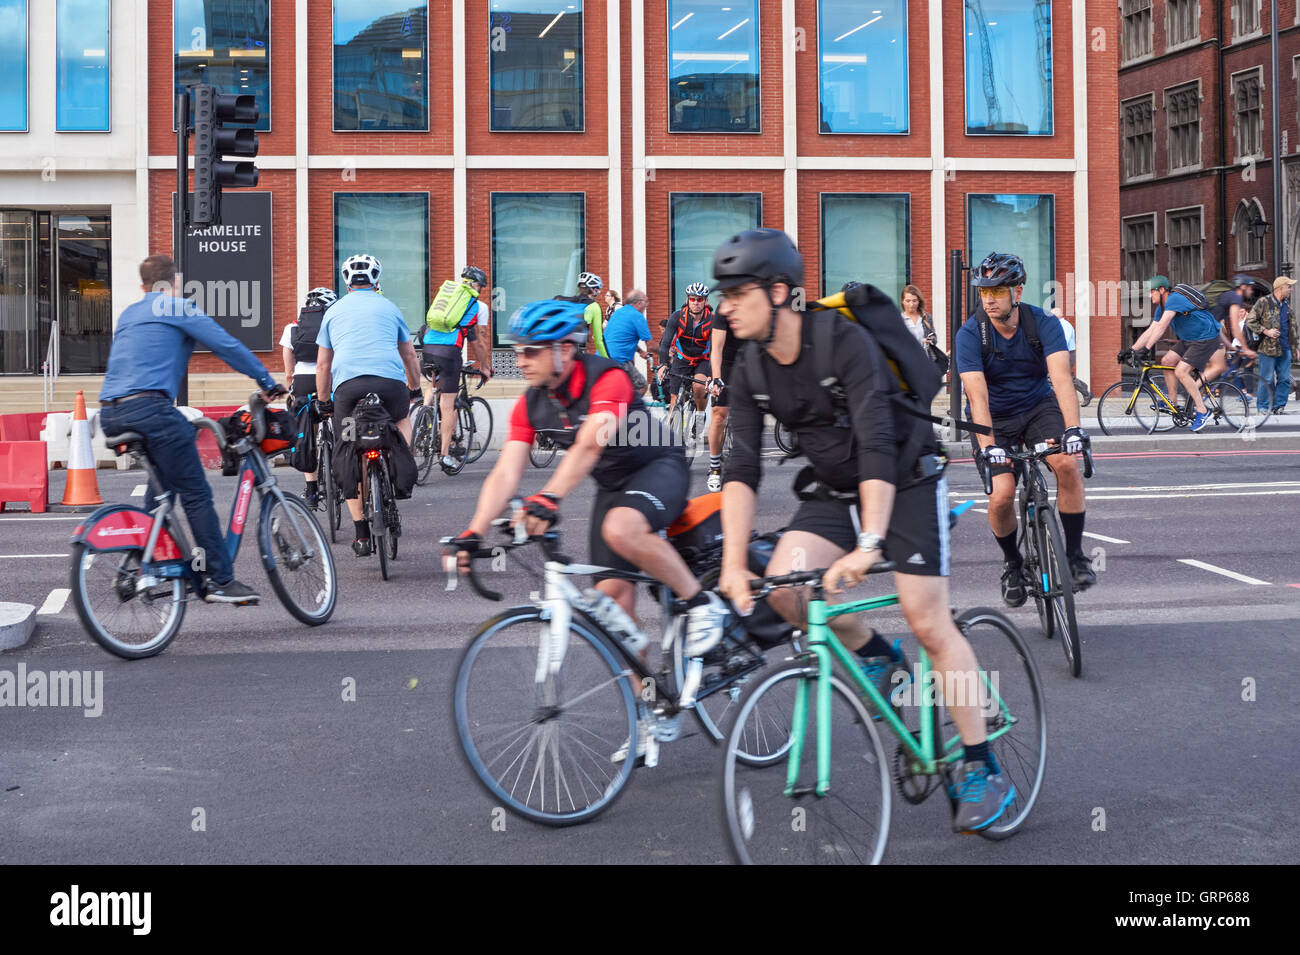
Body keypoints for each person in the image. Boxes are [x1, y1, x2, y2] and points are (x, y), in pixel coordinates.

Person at [712, 228, 1015, 834]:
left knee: (926, 617)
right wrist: (729, 568)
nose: (724, 307)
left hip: (904, 477)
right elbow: (739, 470)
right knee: (783, 589)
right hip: (833, 486)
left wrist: (870, 543)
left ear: (777, 293)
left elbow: (877, 442)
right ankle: (879, 655)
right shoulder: (748, 364)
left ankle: (982, 766)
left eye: (735, 294)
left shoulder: (841, 341)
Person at [452, 299, 729, 762]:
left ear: (565, 349)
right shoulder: (533, 403)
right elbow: (506, 471)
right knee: (614, 612)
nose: (520, 359)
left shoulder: (607, 378)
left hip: (658, 467)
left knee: (622, 528)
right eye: (518, 350)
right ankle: (653, 711)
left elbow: (592, 438)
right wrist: (473, 532)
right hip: (613, 485)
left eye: (531, 351)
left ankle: (704, 608)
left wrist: (549, 498)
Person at [99, 254, 282, 604]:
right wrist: (266, 381)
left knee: (164, 491)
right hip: (152, 409)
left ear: (143, 287)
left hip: (111, 413)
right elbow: (226, 345)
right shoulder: (175, 307)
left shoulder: (129, 314)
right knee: (196, 494)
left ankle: (151, 559)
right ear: (175, 283)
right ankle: (221, 579)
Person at [955, 252, 1094, 603]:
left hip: (1037, 406)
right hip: (994, 419)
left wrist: (1074, 429)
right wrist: (988, 447)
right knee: (1001, 495)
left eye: (997, 291)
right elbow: (977, 396)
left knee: (1066, 464)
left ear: (1017, 292)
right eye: (983, 292)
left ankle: (1075, 556)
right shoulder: (971, 333)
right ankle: (1013, 564)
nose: (988, 299)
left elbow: (1062, 380)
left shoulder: (1043, 322)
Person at [314, 253, 423, 557]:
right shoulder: (389, 307)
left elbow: (323, 365)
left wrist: (325, 402)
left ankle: (361, 532)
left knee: (350, 448)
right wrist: (414, 389)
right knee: (402, 418)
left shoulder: (333, 311)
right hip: (389, 384)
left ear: (346, 282)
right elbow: (409, 355)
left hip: (349, 388)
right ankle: (399, 465)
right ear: (377, 280)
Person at [422, 266, 494, 472]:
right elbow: (478, 340)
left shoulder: (446, 298)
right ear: (478, 286)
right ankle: (445, 454)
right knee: (448, 405)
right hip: (448, 353)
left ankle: (425, 415)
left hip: (427, 348)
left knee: (434, 384)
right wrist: (485, 367)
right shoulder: (474, 304)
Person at [1132, 276, 1223, 431]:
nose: (1149, 296)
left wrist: (1146, 349)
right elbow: (1151, 329)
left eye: (1151, 292)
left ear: (1162, 290)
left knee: (1181, 371)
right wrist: (1132, 350)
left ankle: (1202, 410)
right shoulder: (1162, 307)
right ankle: (1173, 403)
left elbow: (1161, 327)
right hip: (1190, 339)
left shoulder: (1174, 299)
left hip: (1205, 338)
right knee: (1167, 361)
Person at [280, 287, 337, 508]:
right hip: (330, 378)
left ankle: (312, 491)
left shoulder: (292, 328)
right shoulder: (335, 324)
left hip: (303, 380)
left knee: (308, 434)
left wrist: (292, 388)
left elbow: (288, 370)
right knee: (341, 424)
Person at [657, 282, 713, 429]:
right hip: (682, 359)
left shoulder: (712, 320)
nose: (696, 303)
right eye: (692, 299)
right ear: (687, 300)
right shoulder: (677, 317)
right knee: (674, 399)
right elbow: (665, 343)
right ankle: (672, 436)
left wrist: (712, 375)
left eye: (700, 299)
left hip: (703, 359)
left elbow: (715, 349)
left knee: (699, 386)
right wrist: (663, 364)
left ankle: (700, 415)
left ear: (706, 301)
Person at [706, 289, 743, 492]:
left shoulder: (758, 304)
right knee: (719, 414)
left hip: (750, 359)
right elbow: (717, 348)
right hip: (727, 362)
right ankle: (714, 468)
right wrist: (716, 377)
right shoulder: (723, 309)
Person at [1247, 275, 1298, 415]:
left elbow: (1292, 328)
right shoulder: (1263, 302)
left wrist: (1296, 347)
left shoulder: (1286, 305)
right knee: (1267, 379)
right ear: (1280, 288)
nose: (1291, 289)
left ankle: (1279, 406)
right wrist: (1266, 331)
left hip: (1285, 348)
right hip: (1267, 350)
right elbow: (1250, 321)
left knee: (1285, 379)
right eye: (1289, 286)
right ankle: (1263, 408)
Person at [604, 289, 653, 394]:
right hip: (619, 361)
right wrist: (668, 355)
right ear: (639, 303)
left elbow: (621, 338)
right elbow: (651, 346)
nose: (647, 305)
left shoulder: (618, 313)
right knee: (641, 386)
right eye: (646, 301)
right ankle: (628, 409)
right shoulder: (637, 316)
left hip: (602, 358)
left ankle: (622, 407)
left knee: (622, 389)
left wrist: (640, 352)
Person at [571, 271, 608, 358]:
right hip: (576, 351)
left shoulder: (570, 301)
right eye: (598, 290)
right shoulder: (594, 306)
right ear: (594, 290)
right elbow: (598, 340)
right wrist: (608, 359)